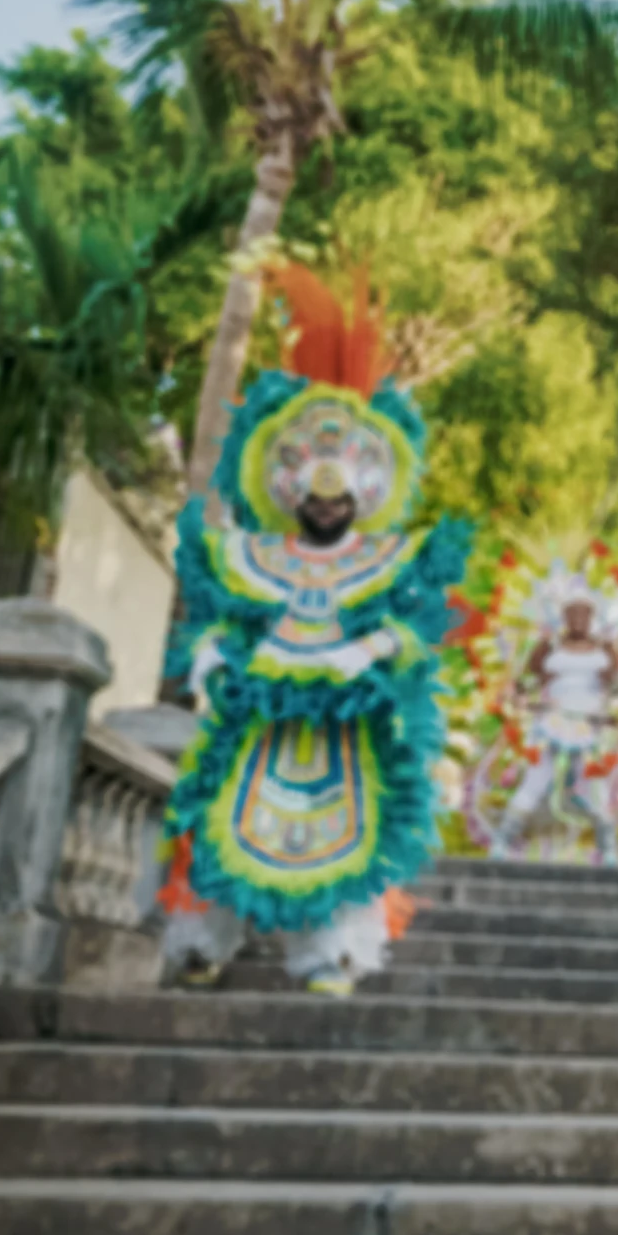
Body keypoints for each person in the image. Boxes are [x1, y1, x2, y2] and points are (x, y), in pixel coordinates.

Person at [161, 263, 468, 994]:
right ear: (288, 487)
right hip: (259, 712)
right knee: (226, 814)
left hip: (347, 719)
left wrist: (365, 651)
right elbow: (222, 620)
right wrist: (209, 658)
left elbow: (416, 631)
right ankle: (205, 941)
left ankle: (333, 955)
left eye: (339, 494)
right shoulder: (252, 556)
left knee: (347, 827)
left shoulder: (388, 561)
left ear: (365, 491)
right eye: (314, 490)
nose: (326, 502)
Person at [489, 592, 618, 859]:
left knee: (594, 789)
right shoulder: (547, 647)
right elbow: (526, 684)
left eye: (583, 613)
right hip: (551, 722)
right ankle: (501, 842)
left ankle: (608, 850)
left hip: (589, 725)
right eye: (572, 613)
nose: (578, 619)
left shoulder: (606, 649)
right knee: (534, 782)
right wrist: (524, 699)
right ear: (564, 617)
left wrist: (612, 712)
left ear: (591, 617)